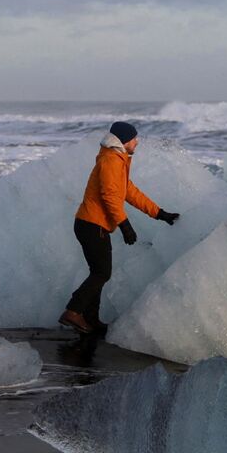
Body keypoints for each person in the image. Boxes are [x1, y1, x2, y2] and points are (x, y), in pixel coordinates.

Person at [59, 121, 180, 335]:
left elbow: (128, 191)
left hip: (92, 225)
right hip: (92, 225)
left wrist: (159, 213)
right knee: (101, 273)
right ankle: (73, 311)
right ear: (125, 140)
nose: (137, 141)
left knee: (98, 272)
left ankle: (91, 319)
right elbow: (109, 196)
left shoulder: (118, 159)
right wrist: (125, 225)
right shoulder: (111, 160)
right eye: (134, 138)